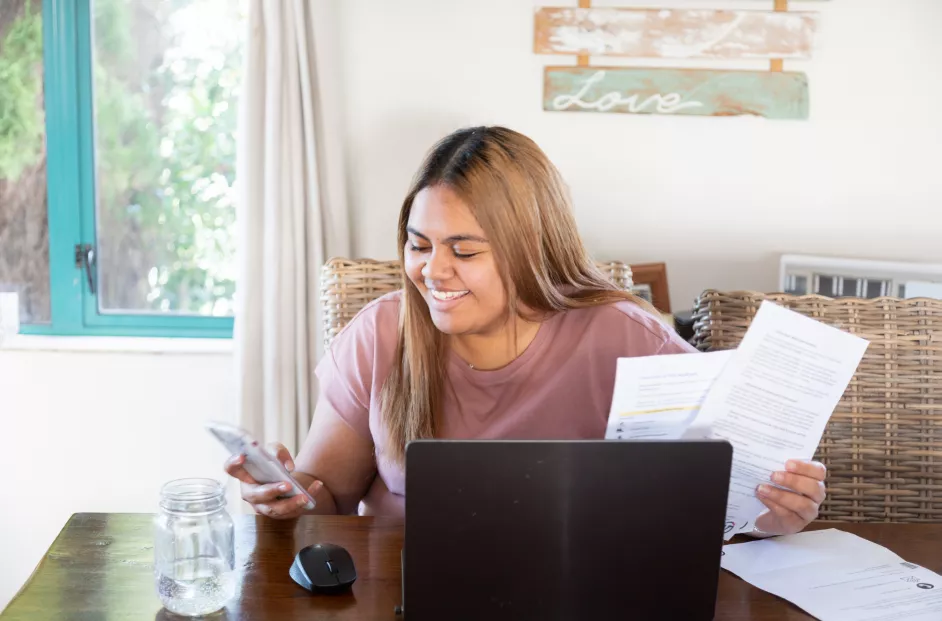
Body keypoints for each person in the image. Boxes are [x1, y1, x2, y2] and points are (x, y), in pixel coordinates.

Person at [225, 126, 827, 536]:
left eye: (464, 250)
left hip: (586, 590)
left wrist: (771, 513)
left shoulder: (628, 339)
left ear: (530, 248)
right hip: (406, 587)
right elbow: (323, 498)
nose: (433, 271)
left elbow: (709, 508)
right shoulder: (381, 334)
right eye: (419, 244)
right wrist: (289, 495)